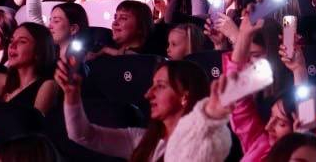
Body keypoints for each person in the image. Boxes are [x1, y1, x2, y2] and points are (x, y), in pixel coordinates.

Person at [57, 55, 230, 162]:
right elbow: (82, 135)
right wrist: (72, 95)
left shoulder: (208, 146)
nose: (148, 94)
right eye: (151, 85)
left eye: (160, 86)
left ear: (185, 96)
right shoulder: (142, 140)